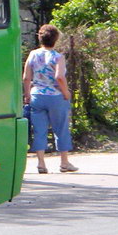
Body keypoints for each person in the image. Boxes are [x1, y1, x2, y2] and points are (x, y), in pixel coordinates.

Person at [23, 23, 78, 174]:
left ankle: (41, 163)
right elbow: (59, 76)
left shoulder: (33, 54)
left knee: (39, 130)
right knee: (61, 128)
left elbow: (26, 77)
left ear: (40, 38)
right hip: (55, 96)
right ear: (55, 39)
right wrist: (66, 92)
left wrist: (27, 95)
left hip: (37, 95)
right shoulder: (58, 57)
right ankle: (64, 162)